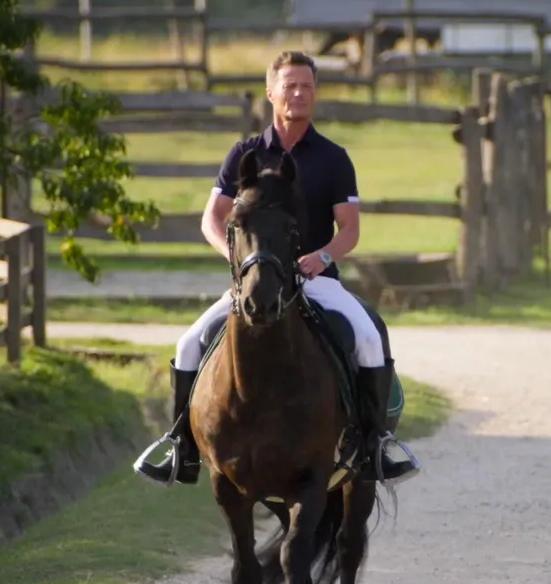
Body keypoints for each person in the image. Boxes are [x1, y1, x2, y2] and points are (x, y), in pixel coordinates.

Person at [134, 50, 420, 487]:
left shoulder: (333, 158)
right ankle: (181, 447)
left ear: (315, 93)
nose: (299, 93)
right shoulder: (244, 153)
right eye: (290, 85)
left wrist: (322, 257)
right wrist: (239, 263)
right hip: (255, 281)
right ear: (271, 93)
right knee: (190, 341)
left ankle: (376, 444)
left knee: (367, 336)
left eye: (307, 85)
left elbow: (349, 230)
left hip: (314, 280)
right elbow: (212, 218)